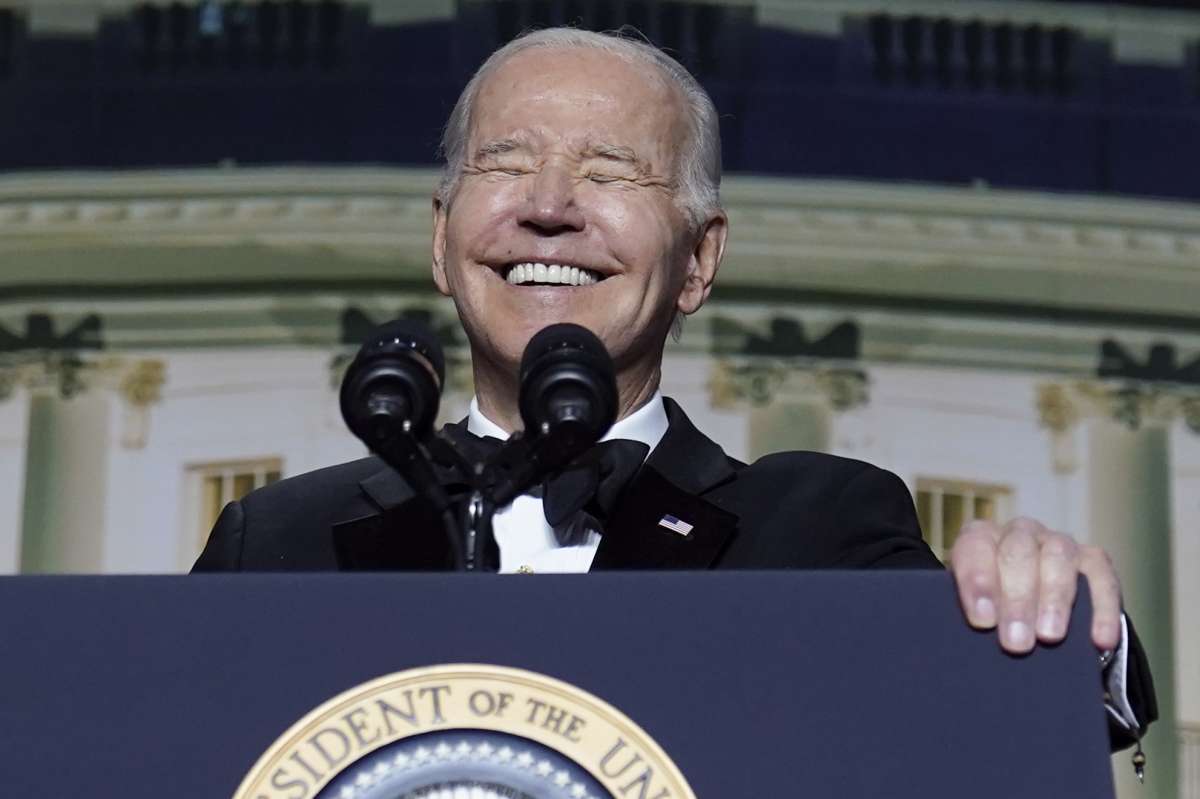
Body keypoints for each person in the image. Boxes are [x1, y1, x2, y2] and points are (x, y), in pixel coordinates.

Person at [194, 27, 1155, 750]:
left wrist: (1052, 611)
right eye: (507, 162)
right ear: (440, 239)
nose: (548, 207)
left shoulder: (818, 528)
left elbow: (996, 725)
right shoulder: (277, 540)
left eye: (610, 172)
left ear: (699, 261)